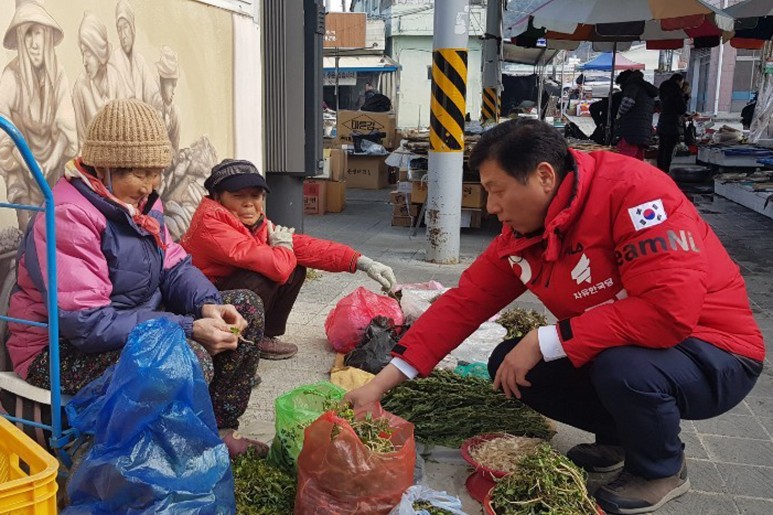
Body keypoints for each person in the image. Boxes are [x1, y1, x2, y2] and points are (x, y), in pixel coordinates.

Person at [346, 118, 764, 514]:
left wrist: (546, 339)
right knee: (512, 365)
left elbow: (667, 311)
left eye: (497, 190)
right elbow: (464, 304)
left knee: (618, 367)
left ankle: (661, 469)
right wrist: (380, 385)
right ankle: (620, 439)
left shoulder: (636, 193)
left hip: (714, 353)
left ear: (544, 176)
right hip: (632, 347)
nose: (491, 207)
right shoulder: (525, 234)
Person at [6, 99, 268, 458]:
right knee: (185, 355)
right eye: (140, 173)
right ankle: (152, 456)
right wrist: (187, 327)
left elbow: (174, 267)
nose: (150, 185)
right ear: (104, 167)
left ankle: (216, 431)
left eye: (156, 172)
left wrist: (208, 304)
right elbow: (88, 324)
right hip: (59, 350)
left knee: (245, 308)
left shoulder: (140, 205)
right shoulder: (69, 216)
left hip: (130, 325)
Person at [180, 159, 397, 361]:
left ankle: (262, 336)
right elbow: (278, 267)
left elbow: (303, 246)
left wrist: (361, 262)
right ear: (218, 197)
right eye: (238, 196)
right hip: (204, 305)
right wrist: (282, 246)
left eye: (255, 196)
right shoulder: (212, 224)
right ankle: (239, 344)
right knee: (267, 273)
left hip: (224, 294)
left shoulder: (253, 222)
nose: (249, 204)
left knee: (295, 267)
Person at [0, 0, 77, 231]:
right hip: (22, 167)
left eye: (38, 33)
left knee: (56, 225)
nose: (34, 43)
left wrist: (51, 160)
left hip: (52, 164)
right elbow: (4, 138)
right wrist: (29, 164)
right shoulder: (10, 77)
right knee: (30, 230)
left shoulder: (58, 73)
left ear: (46, 36)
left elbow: (66, 128)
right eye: (27, 34)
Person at [72, 12, 125, 144]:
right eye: (82, 53)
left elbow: (124, 128)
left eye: (88, 53)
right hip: (91, 155)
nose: (84, 62)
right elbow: (81, 140)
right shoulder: (80, 87)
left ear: (98, 50)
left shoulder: (115, 78)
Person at [110, 0, 161, 110]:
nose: (123, 36)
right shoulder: (113, 60)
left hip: (140, 118)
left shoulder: (139, 60)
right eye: (119, 30)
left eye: (125, 27)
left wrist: (161, 102)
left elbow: (152, 93)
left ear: (132, 28)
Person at [614, 70, 658, 160]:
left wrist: (618, 116)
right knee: (637, 162)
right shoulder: (646, 89)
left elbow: (626, 104)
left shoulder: (632, 86)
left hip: (630, 132)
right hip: (643, 132)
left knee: (625, 161)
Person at [656, 73, 687, 173]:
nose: (682, 85)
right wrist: (685, 97)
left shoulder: (663, 90)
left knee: (662, 149)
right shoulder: (676, 92)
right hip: (673, 125)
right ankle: (665, 171)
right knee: (668, 151)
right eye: (682, 82)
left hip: (662, 123)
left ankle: (659, 170)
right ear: (678, 81)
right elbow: (682, 109)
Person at [588, 70, 630, 145]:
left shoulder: (619, 97)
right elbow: (594, 107)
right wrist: (600, 123)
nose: (620, 87)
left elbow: (593, 107)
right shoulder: (618, 97)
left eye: (621, 84)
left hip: (612, 129)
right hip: (611, 128)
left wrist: (599, 123)